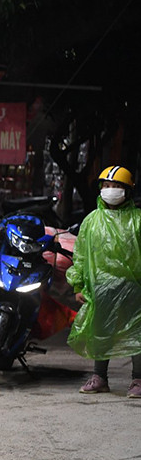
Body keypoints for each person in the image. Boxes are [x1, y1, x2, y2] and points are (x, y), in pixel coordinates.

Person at [66, 165, 141, 397]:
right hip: (101, 289)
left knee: (137, 333)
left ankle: (138, 380)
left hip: (134, 289)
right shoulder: (92, 221)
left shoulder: (138, 221)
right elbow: (80, 255)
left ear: (127, 191)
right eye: (106, 186)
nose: (110, 190)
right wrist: (79, 285)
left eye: (116, 186)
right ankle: (100, 377)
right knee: (101, 331)